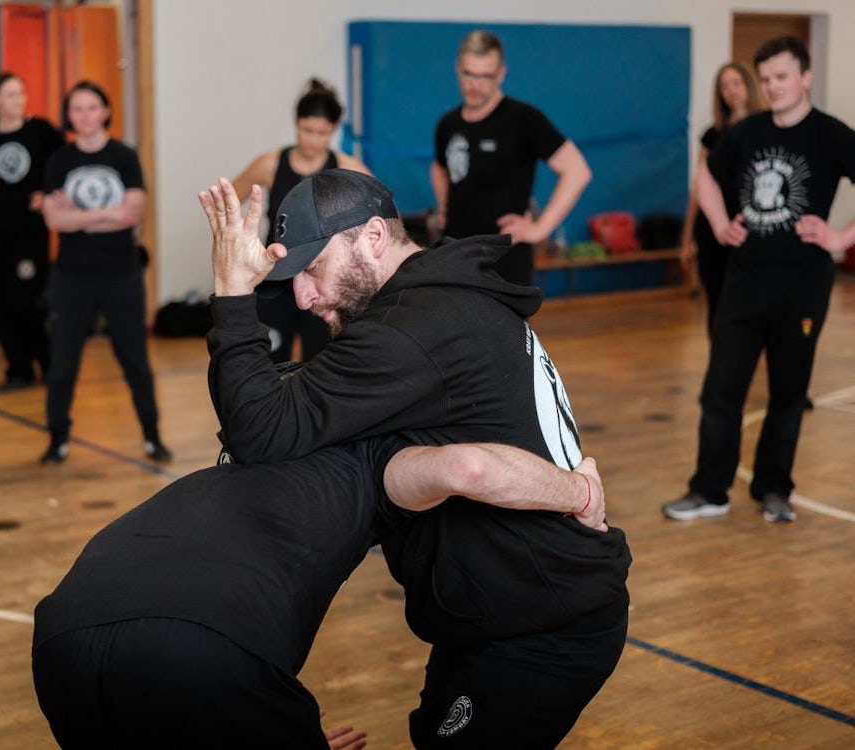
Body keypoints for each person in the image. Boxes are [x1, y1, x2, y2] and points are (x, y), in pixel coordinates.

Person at [199, 169, 631, 749]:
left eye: (312, 269)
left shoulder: (408, 331)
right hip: (500, 611)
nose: (303, 298)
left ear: (373, 236)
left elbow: (260, 429)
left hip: (544, 623)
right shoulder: (443, 295)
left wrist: (232, 294)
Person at [32, 430, 606, 748]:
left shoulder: (215, 475)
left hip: (60, 638)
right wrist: (577, 491)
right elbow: (468, 468)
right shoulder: (367, 460)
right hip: (201, 651)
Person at [662, 36, 855, 524]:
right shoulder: (745, 132)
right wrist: (720, 220)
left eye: (782, 77)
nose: (771, 87)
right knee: (720, 391)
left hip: (803, 287)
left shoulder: (831, 134)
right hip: (744, 284)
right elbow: (705, 175)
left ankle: (774, 489)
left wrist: (841, 238)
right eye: (765, 78)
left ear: (805, 77)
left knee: (788, 393)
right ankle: (710, 490)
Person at [39, 80, 170, 465]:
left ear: (106, 111)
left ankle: (152, 436)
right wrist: (105, 214)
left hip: (120, 274)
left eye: (91, 107)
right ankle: (56, 439)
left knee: (135, 360)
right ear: (69, 116)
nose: (84, 115)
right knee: (63, 362)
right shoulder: (58, 161)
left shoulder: (124, 157)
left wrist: (77, 216)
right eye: (76, 109)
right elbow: (53, 220)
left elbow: (133, 212)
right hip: (71, 276)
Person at [430, 30, 591, 285]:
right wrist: (444, 209)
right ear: (457, 68)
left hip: (504, 260)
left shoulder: (523, 119)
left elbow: (577, 170)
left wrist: (541, 228)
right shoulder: (448, 124)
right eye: (469, 74)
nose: (475, 84)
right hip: (455, 253)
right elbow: (439, 167)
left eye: (485, 76)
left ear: (501, 74)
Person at [230, 79, 371, 363]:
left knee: (320, 360)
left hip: (324, 280)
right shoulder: (271, 164)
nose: (313, 139)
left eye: (322, 132)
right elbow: (230, 200)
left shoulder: (347, 168)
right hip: (276, 277)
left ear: (333, 130)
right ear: (296, 124)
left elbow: (379, 219)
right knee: (269, 358)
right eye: (307, 130)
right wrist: (245, 251)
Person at [0, 72, 64, 391]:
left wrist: (48, 192)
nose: (18, 100)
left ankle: (49, 364)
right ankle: (18, 369)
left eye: (21, 93)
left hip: (30, 230)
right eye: (10, 94)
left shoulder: (41, 131)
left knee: (24, 298)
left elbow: (63, 164)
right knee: (0, 300)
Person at [679, 62, 763, 334]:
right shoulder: (713, 135)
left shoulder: (765, 129)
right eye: (724, 86)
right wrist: (687, 238)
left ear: (748, 85)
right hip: (714, 231)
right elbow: (699, 188)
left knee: (751, 300)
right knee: (717, 300)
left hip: (752, 229)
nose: (731, 91)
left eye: (736, 82)